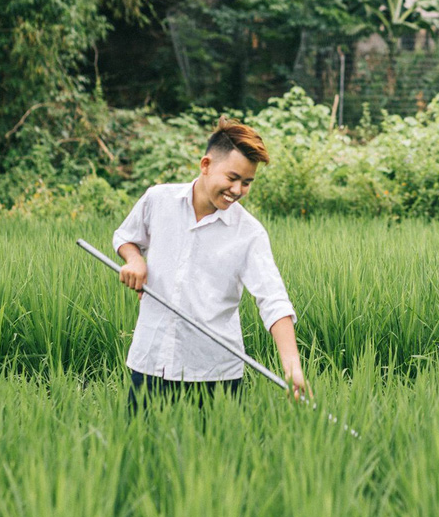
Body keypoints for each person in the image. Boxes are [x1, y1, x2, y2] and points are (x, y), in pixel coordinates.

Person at [113, 118, 306, 413]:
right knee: (141, 452)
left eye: (247, 182)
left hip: (214, 375)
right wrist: (135, 259)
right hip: (152, 361)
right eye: (232, 177)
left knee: (216, 458)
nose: (238, 189)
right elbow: (127, 237)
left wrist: (291, 365)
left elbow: (273, 301)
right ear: (205, 165)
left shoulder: (249, 233)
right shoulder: (158, 200)